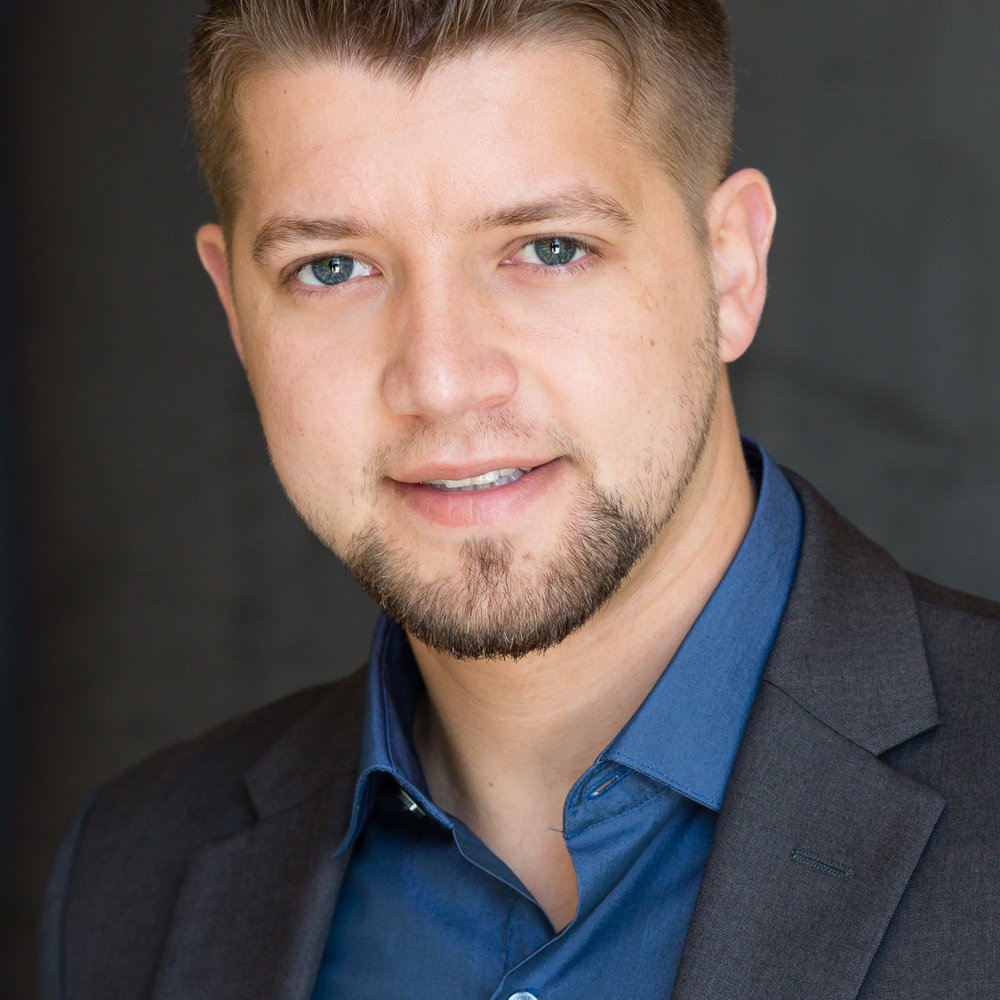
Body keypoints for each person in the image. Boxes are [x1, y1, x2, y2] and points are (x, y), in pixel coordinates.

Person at [40, 1, 1000, 997]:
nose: (442, 381)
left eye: (548, 248)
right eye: (332, 268)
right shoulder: (134, 873)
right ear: (237, 313)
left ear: (730, 267)